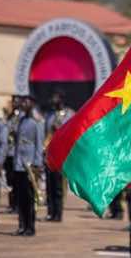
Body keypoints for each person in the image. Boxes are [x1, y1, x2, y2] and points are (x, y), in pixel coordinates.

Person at [13, 95, 44, 236]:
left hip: (29, 165)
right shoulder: (20, 121)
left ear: (32, 104)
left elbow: (39, 144)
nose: (23, 104)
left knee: (29, 198)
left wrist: (37, 164)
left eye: (26, 102)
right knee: (19, 198)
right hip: (19, 164)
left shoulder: (36, 122)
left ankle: (30, 227)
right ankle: (21, 225)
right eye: (23, 102)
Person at [44, 90, 74, 222]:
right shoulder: (49, 115)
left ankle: (58, 213)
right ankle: (50, 212)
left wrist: (61, 129)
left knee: (58, 186)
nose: (53, 101)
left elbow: (73, 132)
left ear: (61, 99)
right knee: (49, 185)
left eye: (56, 98)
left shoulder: (70, 114)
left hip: (62, 154)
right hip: (50, 152)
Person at [4, 95, 22, 214]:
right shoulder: (9, 117)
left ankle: (17, 204)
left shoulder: (21, 117)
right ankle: (11, 203)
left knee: (17, 181)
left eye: (16, 102)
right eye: (13, 102)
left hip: (17, 152)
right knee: (9, 180)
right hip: (8, 152)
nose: (14, 103)